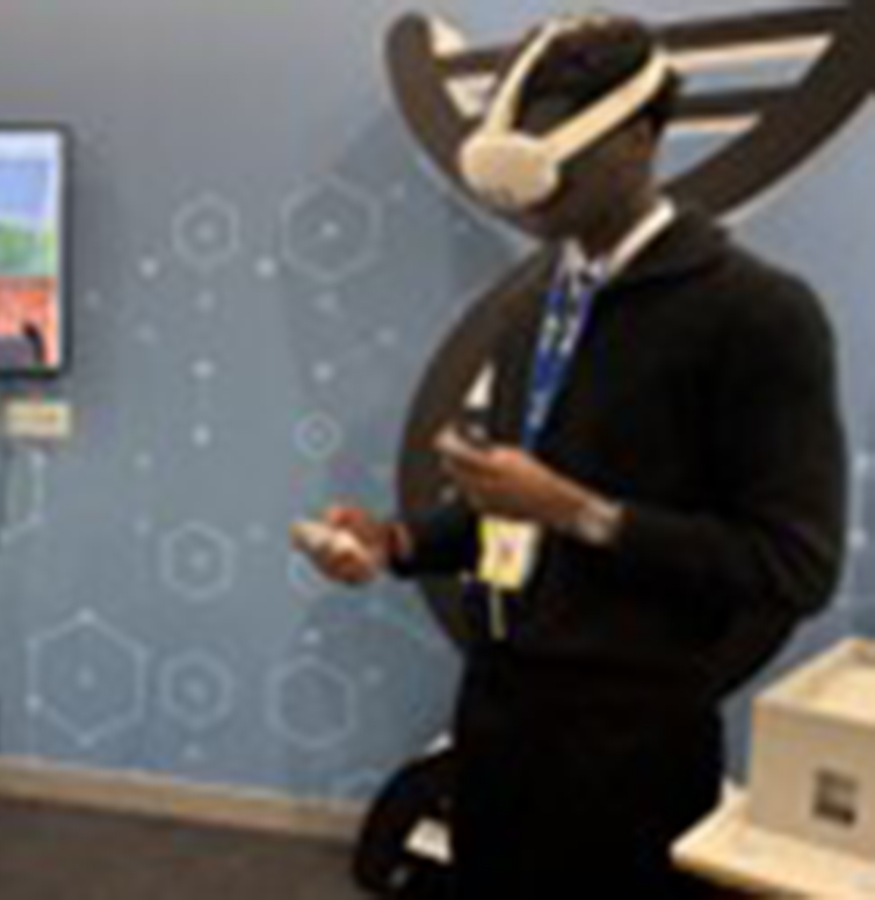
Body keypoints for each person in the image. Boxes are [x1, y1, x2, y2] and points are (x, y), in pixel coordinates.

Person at [298, 16, 847, 898]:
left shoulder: (757, 314)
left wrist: (579, 512)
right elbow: (507, 512)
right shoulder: (535, 306)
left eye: (553, 145)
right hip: (500, 721)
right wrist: (396, 542)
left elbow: (794, 564)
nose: (526, 181)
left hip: (633, 746)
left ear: (639, 140)